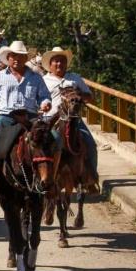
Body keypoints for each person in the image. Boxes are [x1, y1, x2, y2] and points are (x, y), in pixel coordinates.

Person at [0, 40, 61, 152]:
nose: (17, 59)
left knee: (55, 137)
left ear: (26, 58)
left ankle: (54, 169)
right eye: (14, 55)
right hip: (6, 117)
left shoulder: (36, 77)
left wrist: (46, 103)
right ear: (8, 58)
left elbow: (44, 96)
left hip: (31, 117)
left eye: (21, 56)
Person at [41, 46, 99, 186]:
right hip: (50, 119)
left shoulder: (75, 78)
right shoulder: (43, 80)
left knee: (90, 144)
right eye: (56, 61)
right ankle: (42, 178)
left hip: (73, 119)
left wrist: (79, 94)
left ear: (66, 63)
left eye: (62, 61)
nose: (59, 64)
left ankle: (91, 178)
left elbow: (90, 97)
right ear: (50, 64)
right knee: (41, 146)